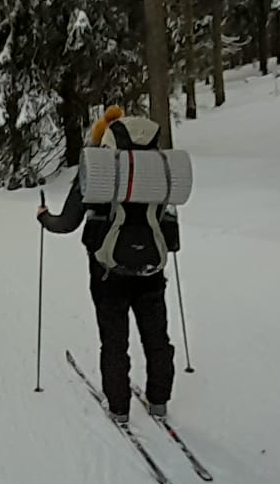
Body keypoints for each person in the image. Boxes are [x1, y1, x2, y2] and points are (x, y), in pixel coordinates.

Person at [37, 105, 176, 424]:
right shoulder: (158, 169)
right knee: (156, 337)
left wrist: (44, 218)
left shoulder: (97, 170)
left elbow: (67, 222)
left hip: (107, 270)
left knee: (115, 341)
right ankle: (159, 402)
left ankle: (119, 408)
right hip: (152, 268)